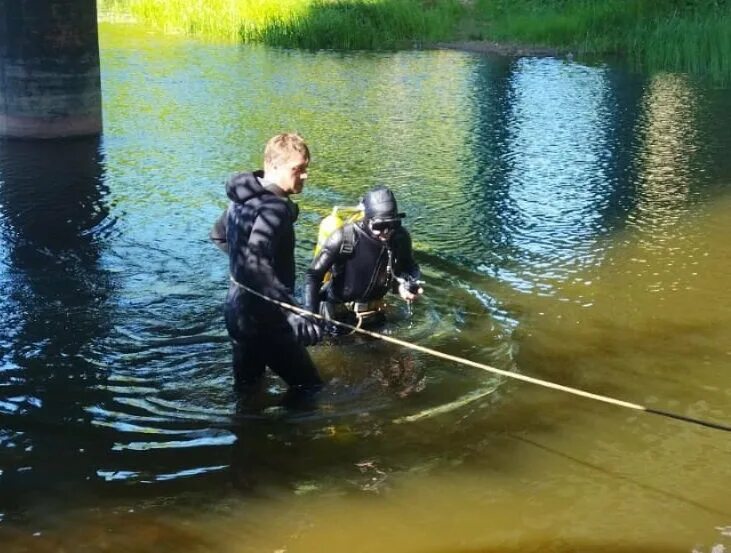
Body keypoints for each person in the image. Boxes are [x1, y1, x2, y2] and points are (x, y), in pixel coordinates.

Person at [210, 133, 322, 393]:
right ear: (273, 166)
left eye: (306, 168)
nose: (305, 175)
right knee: (309, 389)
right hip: (267, 319)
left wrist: (243, 269)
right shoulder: (276, 208)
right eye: (298, 169)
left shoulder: (243, 199)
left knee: (249, 392)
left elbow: (218, 234)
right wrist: (292, 312)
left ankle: (248, 432)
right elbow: (257, 258)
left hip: (236, 311)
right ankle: (292, 434)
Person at [304, 185, 422, 332]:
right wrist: (310, 315)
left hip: (375, 315)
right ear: (367, 219)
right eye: (379, 225)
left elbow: (410, 266)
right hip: (337, 315)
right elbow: (313, 275)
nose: (386, 232)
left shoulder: (400, 237)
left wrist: (408, 283)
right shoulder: (344, 237)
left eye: (393, 224)